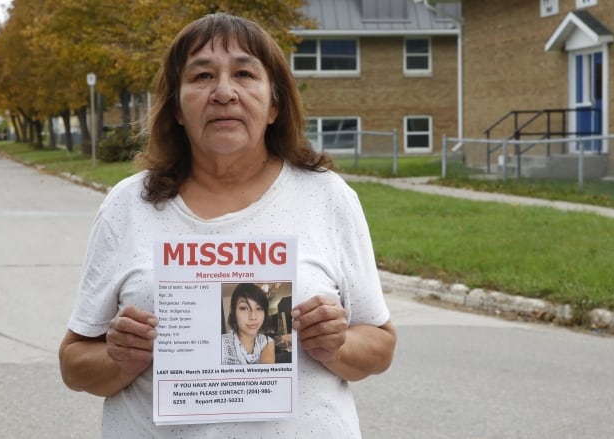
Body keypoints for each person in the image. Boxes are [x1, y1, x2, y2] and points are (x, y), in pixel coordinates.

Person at [58, 12, 396, 438]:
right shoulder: (128, 204)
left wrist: (338, 344)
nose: (223, 92)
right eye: (201, 76)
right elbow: (74, 363)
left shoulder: (327, 197)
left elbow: (380, 347)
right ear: (177, 107)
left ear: (274, 103)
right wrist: (118, 356)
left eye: (244, 73)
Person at [221, 283, 275, 365]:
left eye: (259, 308)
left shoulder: (267, 342)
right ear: (234, 312)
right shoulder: (221, 345)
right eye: (244, 308)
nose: (253, 317)